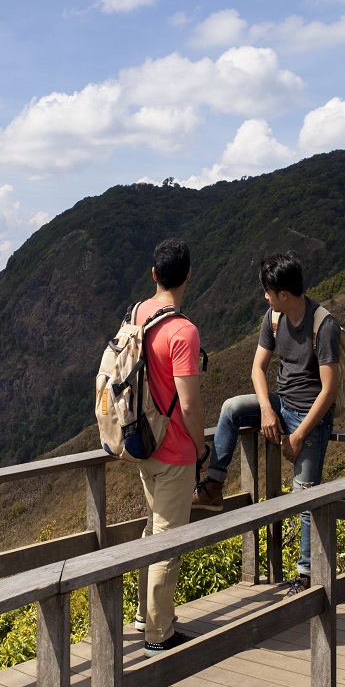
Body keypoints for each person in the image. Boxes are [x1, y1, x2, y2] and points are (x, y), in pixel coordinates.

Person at [192, 251, 340, 595]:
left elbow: (330, 390)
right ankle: (214, 485)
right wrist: (267, 410)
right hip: (282, 404)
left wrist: (299, 435)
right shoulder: (273, 319)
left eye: (268, 291)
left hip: (311, 418)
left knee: (304, 495)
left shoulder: (324, 325)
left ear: (283, 295)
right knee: (231, 409)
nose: (265, 297)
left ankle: (305, 576)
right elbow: (257, 369)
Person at [132, 238, 208, 657]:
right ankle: (159, 634)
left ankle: (145, 615)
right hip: (176, 450)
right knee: (167, 542)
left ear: (155, 274)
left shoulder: (138, 313)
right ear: (189, 275)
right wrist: (199, 448)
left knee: (151, 531)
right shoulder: (184, 332)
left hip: (144, 443)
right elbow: (191, 404)